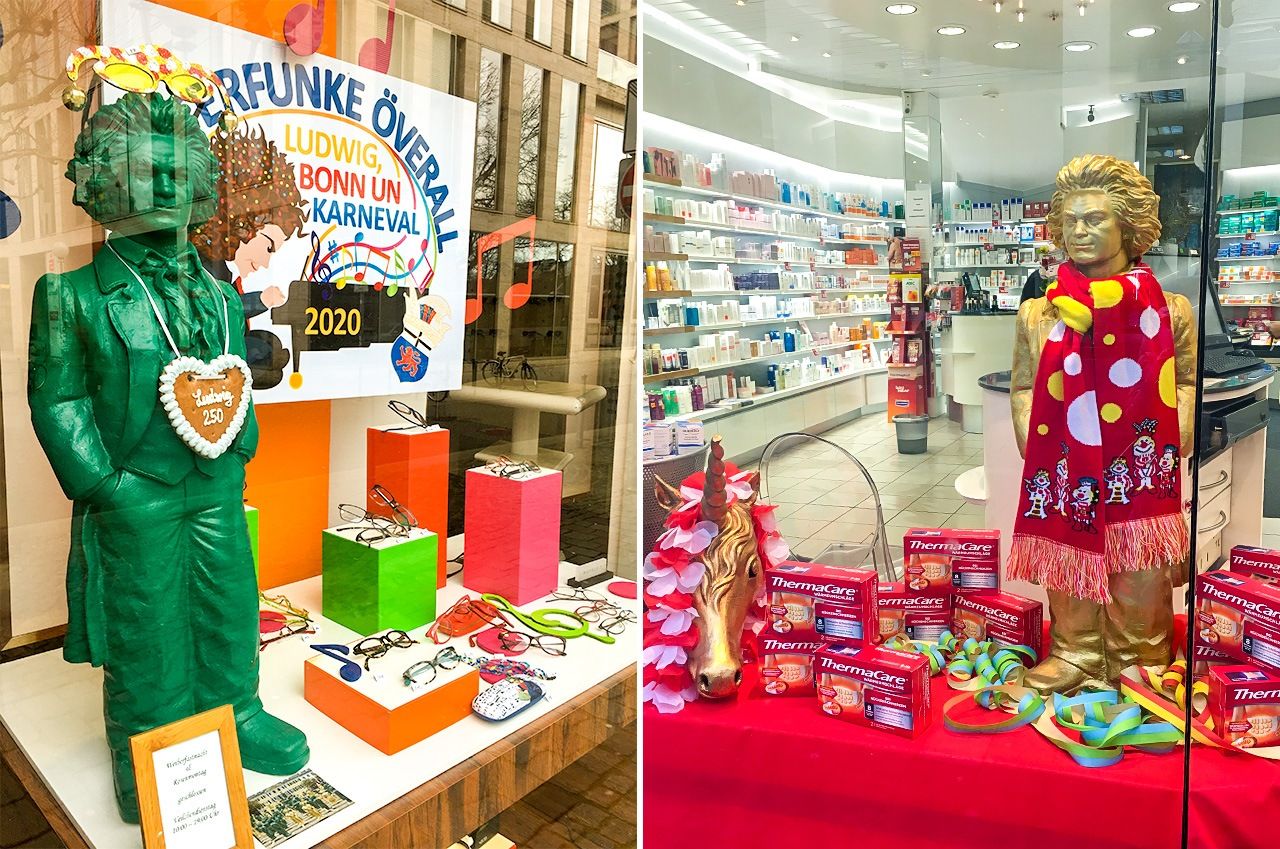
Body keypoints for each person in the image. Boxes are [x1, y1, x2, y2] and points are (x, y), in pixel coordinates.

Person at [28, 91, 308, 822]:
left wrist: (240, 450)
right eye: (145, 171)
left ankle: (238, 711)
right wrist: (104, 484)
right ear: (104, 183)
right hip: (133, 490)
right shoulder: (69, 295)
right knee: (145, 621)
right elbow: (56, 401)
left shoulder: (221, 296)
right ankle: (148, 745)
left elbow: (234, 376)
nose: (163, 186)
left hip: (215, 482)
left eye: (178, 173)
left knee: (229, 603)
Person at [1007, 154, 1196, 694]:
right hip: (1065, 469)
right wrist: (1038, 443)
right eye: (1070, 220)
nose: (1079, 231)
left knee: (1139, 571)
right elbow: (1024, 387)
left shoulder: (1168, 310)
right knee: (1069, 563)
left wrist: (1167, 438)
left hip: (1138, 469)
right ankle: (1076, 652)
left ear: (1127, 226)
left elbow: (1184, 383)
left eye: (1094, 219)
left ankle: (1143, 656)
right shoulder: (1039, 313)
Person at [190, 126, 307, 389]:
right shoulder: (203, 265)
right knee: (266, 352)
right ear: (243, 225)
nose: (265, 262)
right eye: (268, 247)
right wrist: (261, 300)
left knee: (269, 348)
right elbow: (214, 310)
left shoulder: (221, 268)